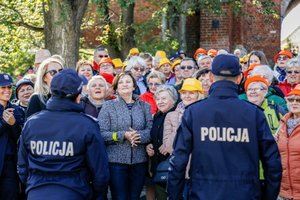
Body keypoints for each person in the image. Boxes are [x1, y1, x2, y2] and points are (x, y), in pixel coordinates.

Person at [167, 54, 282, 200]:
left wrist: (174, 196)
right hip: (245, 193)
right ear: (240, 78)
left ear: (210, 77)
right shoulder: (254, 114)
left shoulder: (194, 112)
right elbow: (273, 163)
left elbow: (178, 161)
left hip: (203, 193)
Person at [18, 69, 109, 200]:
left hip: (37, 192)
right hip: (74, 192)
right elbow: (100, 173)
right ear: (78, 96)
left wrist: (32, 186)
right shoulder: (87, 125)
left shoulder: (31, 123)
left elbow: (22, 166)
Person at [98, 72, 152, 200]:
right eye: (121, 82)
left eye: (128, 81)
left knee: (134, 197)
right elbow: (101, 133)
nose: (124, 84)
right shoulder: (108, 106)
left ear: (134, 86)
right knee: (120, 197)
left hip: (139, 161)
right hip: (116, 162)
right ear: (116, 88)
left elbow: (151, 130)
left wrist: (137, 136)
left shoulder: (145, 106)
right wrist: (123, 135)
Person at [162, 78, 204, 200]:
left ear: (199, 94)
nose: (187, 96)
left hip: (200, 173)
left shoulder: (205, 114)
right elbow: (168, 147)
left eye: (191, 93)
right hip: (179, 173)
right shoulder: (171, 115)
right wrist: (182, 120)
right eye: (184, 92)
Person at [146, 85, 178, 200]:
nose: (160, 102)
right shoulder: (157, 116)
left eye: (164, 98)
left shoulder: (178, 115)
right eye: (158, 99)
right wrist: (149, 145)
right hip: (158, 166)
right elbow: (154, 137)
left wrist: (168, 145)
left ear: (173, 99)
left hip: (173, 167)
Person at [0, 73, 25, 200]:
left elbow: (21, 137)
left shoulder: (18, 110)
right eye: (3, 87)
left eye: (9, 87)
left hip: (11, 163)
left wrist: (13, 124)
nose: (7, 91)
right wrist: (4, 124)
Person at [276, 84, 300, 200]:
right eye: (291, 99)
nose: (294, 102)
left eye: (299, 99)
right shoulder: (283, 123)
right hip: (283, 191)